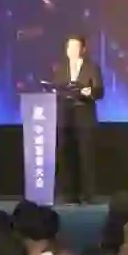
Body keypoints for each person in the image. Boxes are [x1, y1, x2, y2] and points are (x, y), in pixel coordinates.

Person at [51, 35, 104, 205]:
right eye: (69, 47)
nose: (71, 51)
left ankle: (88, 195)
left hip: (84, 116)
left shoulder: (92, 68)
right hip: (65, 117)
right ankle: (68, 194)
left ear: (83, 49)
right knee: (66, 155)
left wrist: (91, 92)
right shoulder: (60, 68)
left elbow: (100, 91)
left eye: (75, 47)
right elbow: (56, 88)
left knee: (86, 155)